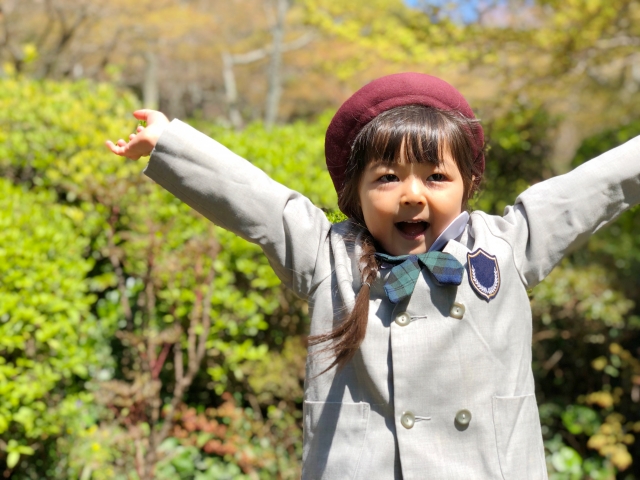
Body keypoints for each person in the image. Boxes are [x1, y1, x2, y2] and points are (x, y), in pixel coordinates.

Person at [106, 73, 640, 479]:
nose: (412, 194)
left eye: (436, 176)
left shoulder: (505, 246)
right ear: (354, 193)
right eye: (387, 177)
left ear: (469, 182)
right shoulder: (327, 257)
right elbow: (261, 203)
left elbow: (588, 190)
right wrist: (171, 143)